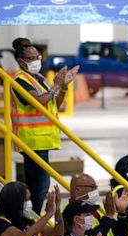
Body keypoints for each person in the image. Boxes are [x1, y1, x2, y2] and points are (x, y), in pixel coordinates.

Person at [10, 37, 78, 213]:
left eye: (37, 57)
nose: (36, 61)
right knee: (39, 188)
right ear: (20, 61)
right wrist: (55, 86)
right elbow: (39, 102)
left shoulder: (39, 78)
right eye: (31, 58)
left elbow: (54, 104)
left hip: (43, 139)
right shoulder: (20, 80)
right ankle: (32, 220)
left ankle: (31, 218)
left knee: (38, 186)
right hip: (32, 140)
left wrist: (63, 86)